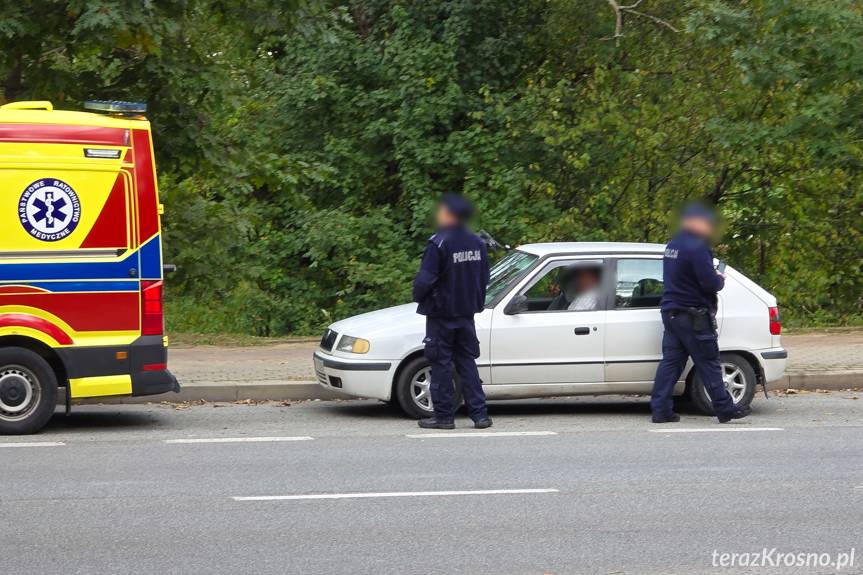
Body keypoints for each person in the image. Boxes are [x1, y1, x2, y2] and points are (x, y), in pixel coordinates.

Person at [650, 202, 751, 424]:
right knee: (709, 362)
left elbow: (683, 276)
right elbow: (709, 283)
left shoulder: (673, 245)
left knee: (671, 363)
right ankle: (725, 409)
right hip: (693, 315)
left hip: (672, 312)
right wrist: (719, 279)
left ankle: (661, 410)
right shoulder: (697, 247)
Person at [412, 193, 491, 430]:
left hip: (442, 315)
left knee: (441, 364)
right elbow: (484, 277)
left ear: (449, 214)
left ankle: (444, 416)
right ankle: (480, 415)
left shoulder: (439, 243)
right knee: (467, 362)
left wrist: (419, 297)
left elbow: (425, 280)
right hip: (466, 314)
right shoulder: (477, 243)